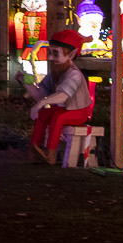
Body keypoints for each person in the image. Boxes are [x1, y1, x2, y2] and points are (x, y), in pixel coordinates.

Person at [28, 26, 95, 164]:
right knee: (44, 114)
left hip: (79, 111)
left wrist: (40, 104)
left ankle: (50, 155)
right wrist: (26, 84)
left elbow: (62, 96)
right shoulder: (55, 72)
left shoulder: (74, 74)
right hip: (63, 108)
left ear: (70, 55)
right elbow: (43, 94)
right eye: (50, 53)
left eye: (56, 54)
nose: (51, 58)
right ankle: (32, 151)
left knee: (58, 118)